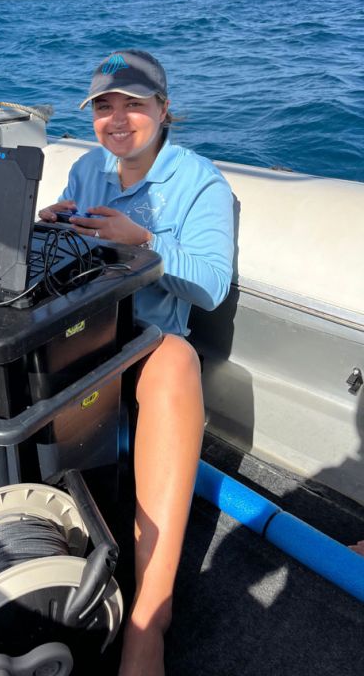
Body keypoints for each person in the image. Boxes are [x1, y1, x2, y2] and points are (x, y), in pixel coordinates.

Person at [39, 49, 235, 676]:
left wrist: (145, 242)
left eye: (133, 104)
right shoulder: (88, 168)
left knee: (176, 359)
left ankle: (151, 615)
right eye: (103, 106)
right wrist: (55, 225)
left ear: (164, 110)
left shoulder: (200, 181)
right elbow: (65, 251)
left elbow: (209, 286)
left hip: (145, 345)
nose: (116, 119)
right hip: (78, 332)